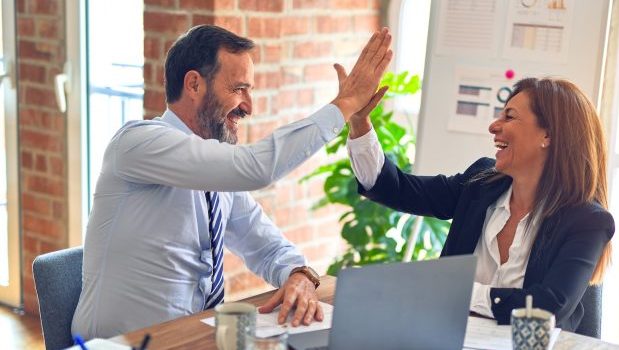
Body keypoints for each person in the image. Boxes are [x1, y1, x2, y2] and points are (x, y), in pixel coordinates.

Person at [72, 24, 392, 339]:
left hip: (193, 339)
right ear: (194, 85)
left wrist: (299, 274)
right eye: (239, 88)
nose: (248, 106)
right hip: (121, 345)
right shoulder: (138, 143)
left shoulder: (216, 174)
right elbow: (256, 168)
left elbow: (265, 244)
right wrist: (345, 104)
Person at [347, 77, 614, 332]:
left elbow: (548, 307)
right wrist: (360, 123)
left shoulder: (587, 221)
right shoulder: (481, 183)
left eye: (509, 116)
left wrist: (459, 292)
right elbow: (397, 189)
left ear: (548, 135)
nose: (494, 126)